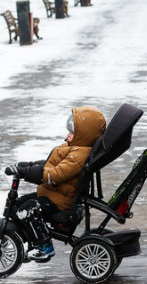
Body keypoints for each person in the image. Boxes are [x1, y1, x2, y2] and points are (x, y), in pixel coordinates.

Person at [6, 107, 106, 262]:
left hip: (59, 200)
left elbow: (56, 174)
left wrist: (28, 173)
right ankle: (33, 239)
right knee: (18, 204)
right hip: (52, 194)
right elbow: (49, 165)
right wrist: (25, 166)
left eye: (72, 133)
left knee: (28, 209)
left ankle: (44, 247)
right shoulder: (75, 148)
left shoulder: (79, 155)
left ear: (83, 135)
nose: (68, 136)